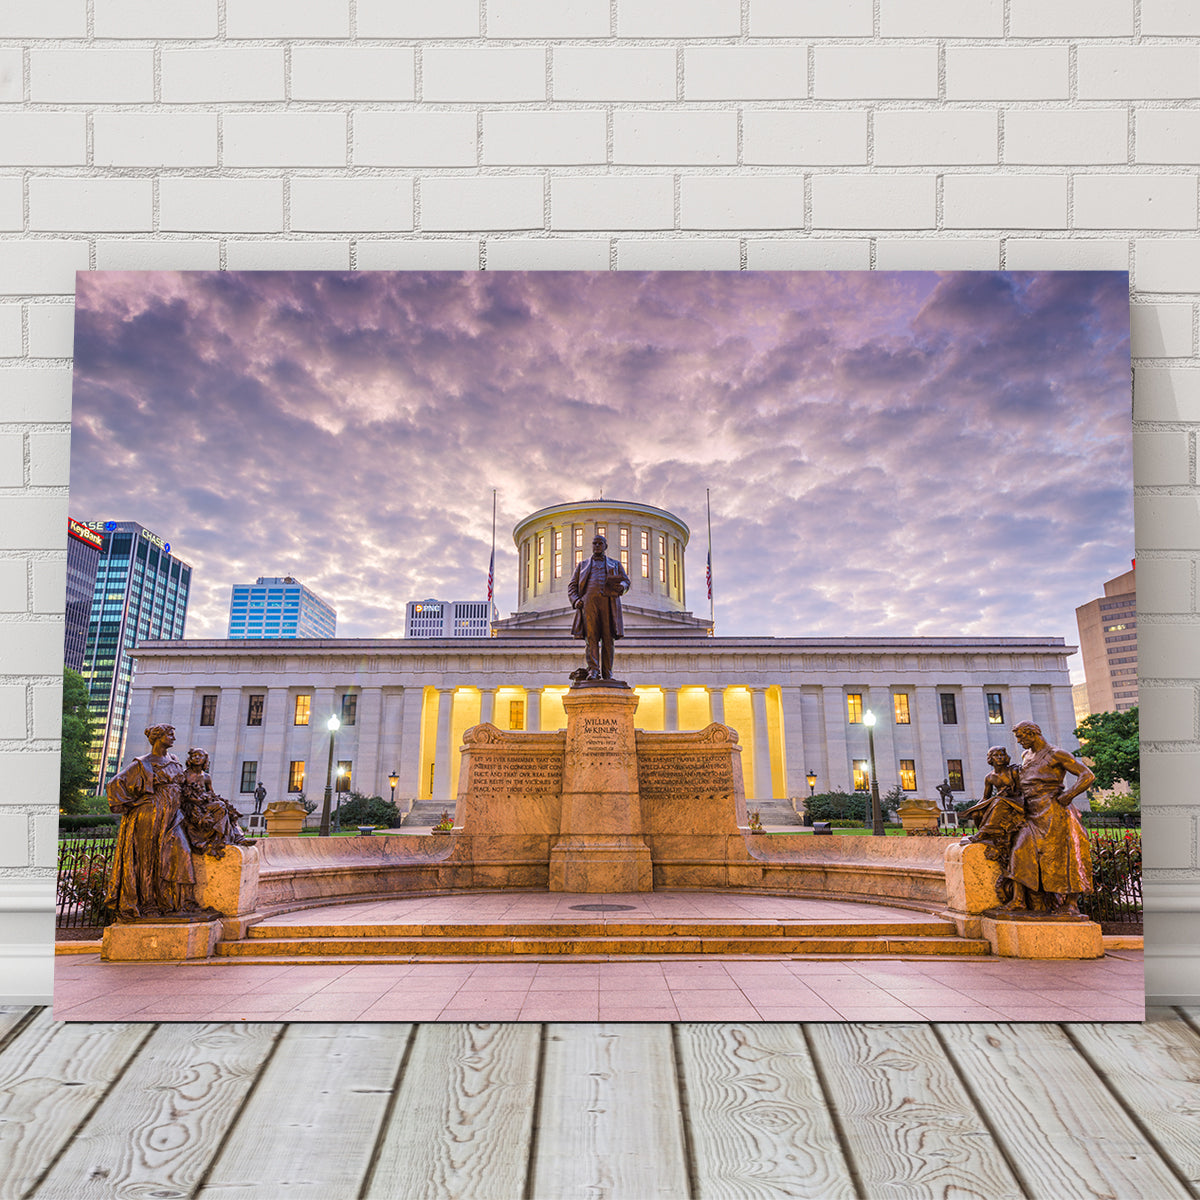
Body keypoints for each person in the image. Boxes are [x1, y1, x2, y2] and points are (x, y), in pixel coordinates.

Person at [104, 723, 199, 922]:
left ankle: (174, 901)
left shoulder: (174, 760)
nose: (173, 738)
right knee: (148, 859)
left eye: (173, 734)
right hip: (149, 814)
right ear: (158, 737)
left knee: (180, 852)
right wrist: (134, 803)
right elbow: (114, 784)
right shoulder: (143, 763)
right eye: (169, 735)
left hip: (173, 815)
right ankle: (149, 904)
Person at [1003, 720, 1095, 916]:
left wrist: (1068, 795)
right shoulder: (1026, 756)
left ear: (1032, 734)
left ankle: (1071, 903)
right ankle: (1018, 899)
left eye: (1021, 737)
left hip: (1053, 811)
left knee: (1065, 856)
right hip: (1031, 810)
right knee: (1020, 850)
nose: (1019, 741)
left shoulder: (1056, 754)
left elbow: (1087, 775)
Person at [960, 746, 1026, 904]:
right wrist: (975, 809)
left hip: (1017, 802)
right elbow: (985, 797)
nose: (1000, 757)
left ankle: (983, 833)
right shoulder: (989, 777)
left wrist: (1008, 794)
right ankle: (985, 832)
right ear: (990, 759)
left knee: (998, 802)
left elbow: (1023, 791)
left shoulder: (1014, 772)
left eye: (1002, 754)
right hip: (1002, 801)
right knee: (979, 812)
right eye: (996, 755)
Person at [567, 533, 631, 680]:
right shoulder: (582, 565)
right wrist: (576, 600)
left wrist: (622, 586)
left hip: (609, 603)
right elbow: (572, 586)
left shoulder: (615, 564)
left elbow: (626, 581)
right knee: (592, 638)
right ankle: (594, 670)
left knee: (608, 640)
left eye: (600, 543)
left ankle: (607, 673)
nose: (597, 546)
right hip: (589, 604)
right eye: (595, 543)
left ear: (605, 546)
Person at [180, 747, 247, 858]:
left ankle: (235, 837)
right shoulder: (185, 775)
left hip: (203, 804)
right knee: (220, 807)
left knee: (226, 808)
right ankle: (226, 839)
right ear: (190, 759)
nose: (197, 757)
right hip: (190, 806)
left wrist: (215, 800)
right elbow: (181, 793)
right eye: (194, 755)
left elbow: (212, 793)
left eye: (200, 755)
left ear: (205, 760)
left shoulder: (206, 777)